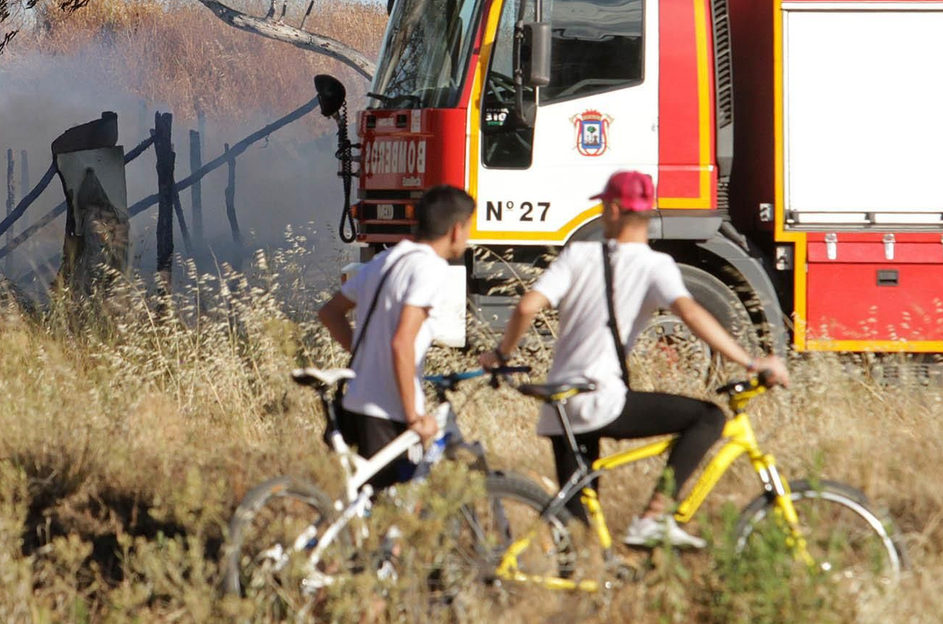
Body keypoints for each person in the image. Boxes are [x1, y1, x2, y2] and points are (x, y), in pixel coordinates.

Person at [479, 170, 787, 549]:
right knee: (709, 418)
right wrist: (750, 361)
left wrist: (501, 354)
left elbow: (528, 305)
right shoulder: (654, 266)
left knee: (578, 530)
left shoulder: (578, 255)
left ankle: (579, 581)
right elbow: (690, 314)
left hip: (561, 407)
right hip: (602, 399)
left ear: (612, 208)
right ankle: (654, 517)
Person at [317, 185, 475, 488]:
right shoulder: (431, 269)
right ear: (457, 230)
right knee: (399, 507)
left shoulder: (387, 260)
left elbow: (329, 312)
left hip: (356, 401)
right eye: (469, 227)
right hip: (389, 408)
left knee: (373, 501)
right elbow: (402, 342)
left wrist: (363, 355)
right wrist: (415, 417)